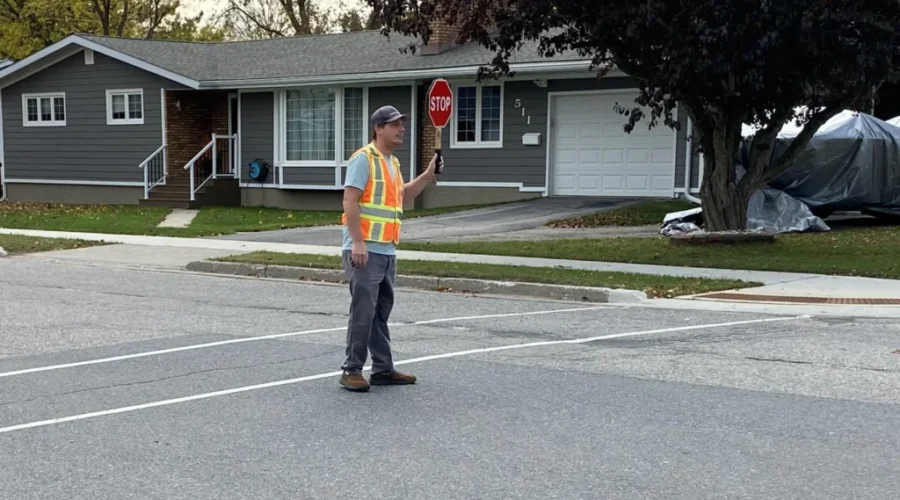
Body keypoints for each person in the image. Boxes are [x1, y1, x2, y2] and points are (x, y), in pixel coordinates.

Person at [339, 105, 443, 392]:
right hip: (364, 250)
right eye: (395, 124)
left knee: (380, 312)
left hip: (386, 250)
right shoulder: (364, 159)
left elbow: (402, 196)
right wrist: (358, 242)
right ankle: (352, 369)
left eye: (402, 124)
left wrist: (427, 175)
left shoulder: (392, 163)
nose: (401, 129)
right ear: (378, 128)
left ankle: (383, 369)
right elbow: (350, 200)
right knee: (363, 311)